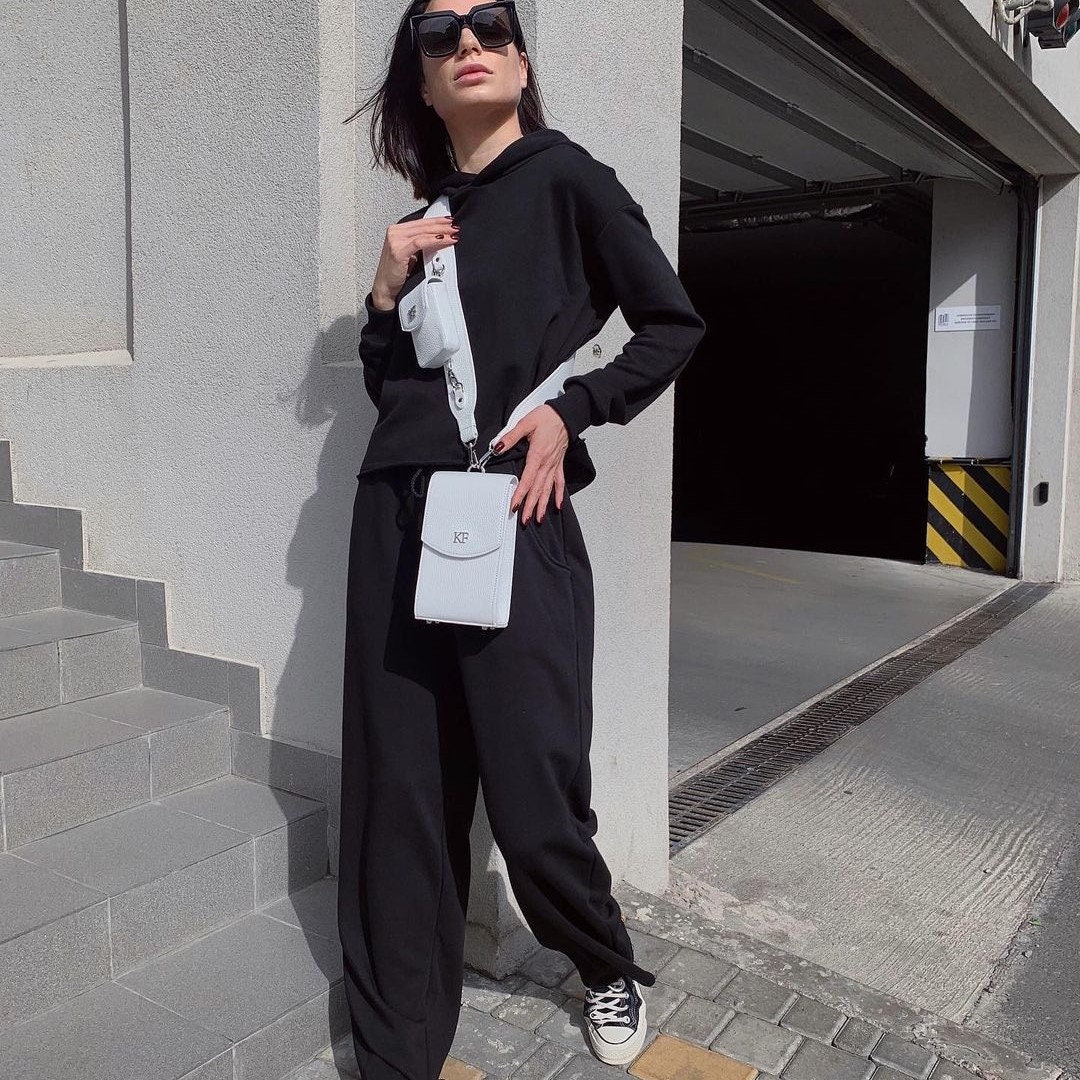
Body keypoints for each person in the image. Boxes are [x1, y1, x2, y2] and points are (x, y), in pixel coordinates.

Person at [337, 1, 706, 1076]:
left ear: (521, 58)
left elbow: (673, 323)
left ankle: (602, 966)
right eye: (439, 34)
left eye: (490, 23)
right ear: (420, 80)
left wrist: (573, 411)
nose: (468, 43)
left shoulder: (567, 179)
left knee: (536, 786)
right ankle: (401, 1046)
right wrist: (382, 293)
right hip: (397, 512)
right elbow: (393, 389)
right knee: (404, 789)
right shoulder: (424, 220)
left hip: (513, 507)